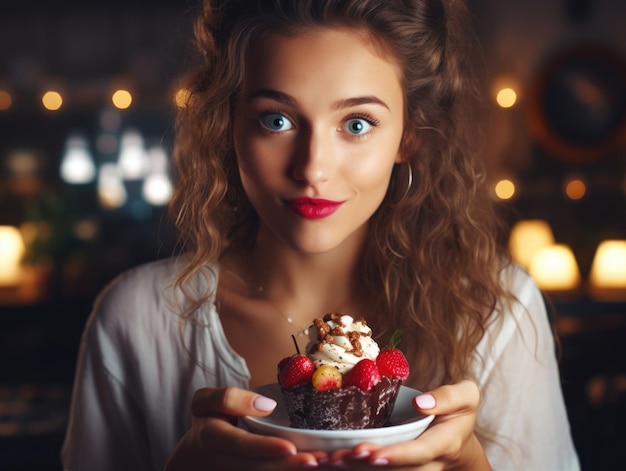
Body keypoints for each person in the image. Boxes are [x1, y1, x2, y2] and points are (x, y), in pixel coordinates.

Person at [61, 0, 580, 469]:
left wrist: (471, 465)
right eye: (277, 120)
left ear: (410, 134)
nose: (313, 168)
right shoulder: (138, 320)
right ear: (228, 124)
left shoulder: (495, 309)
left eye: (356, 124)